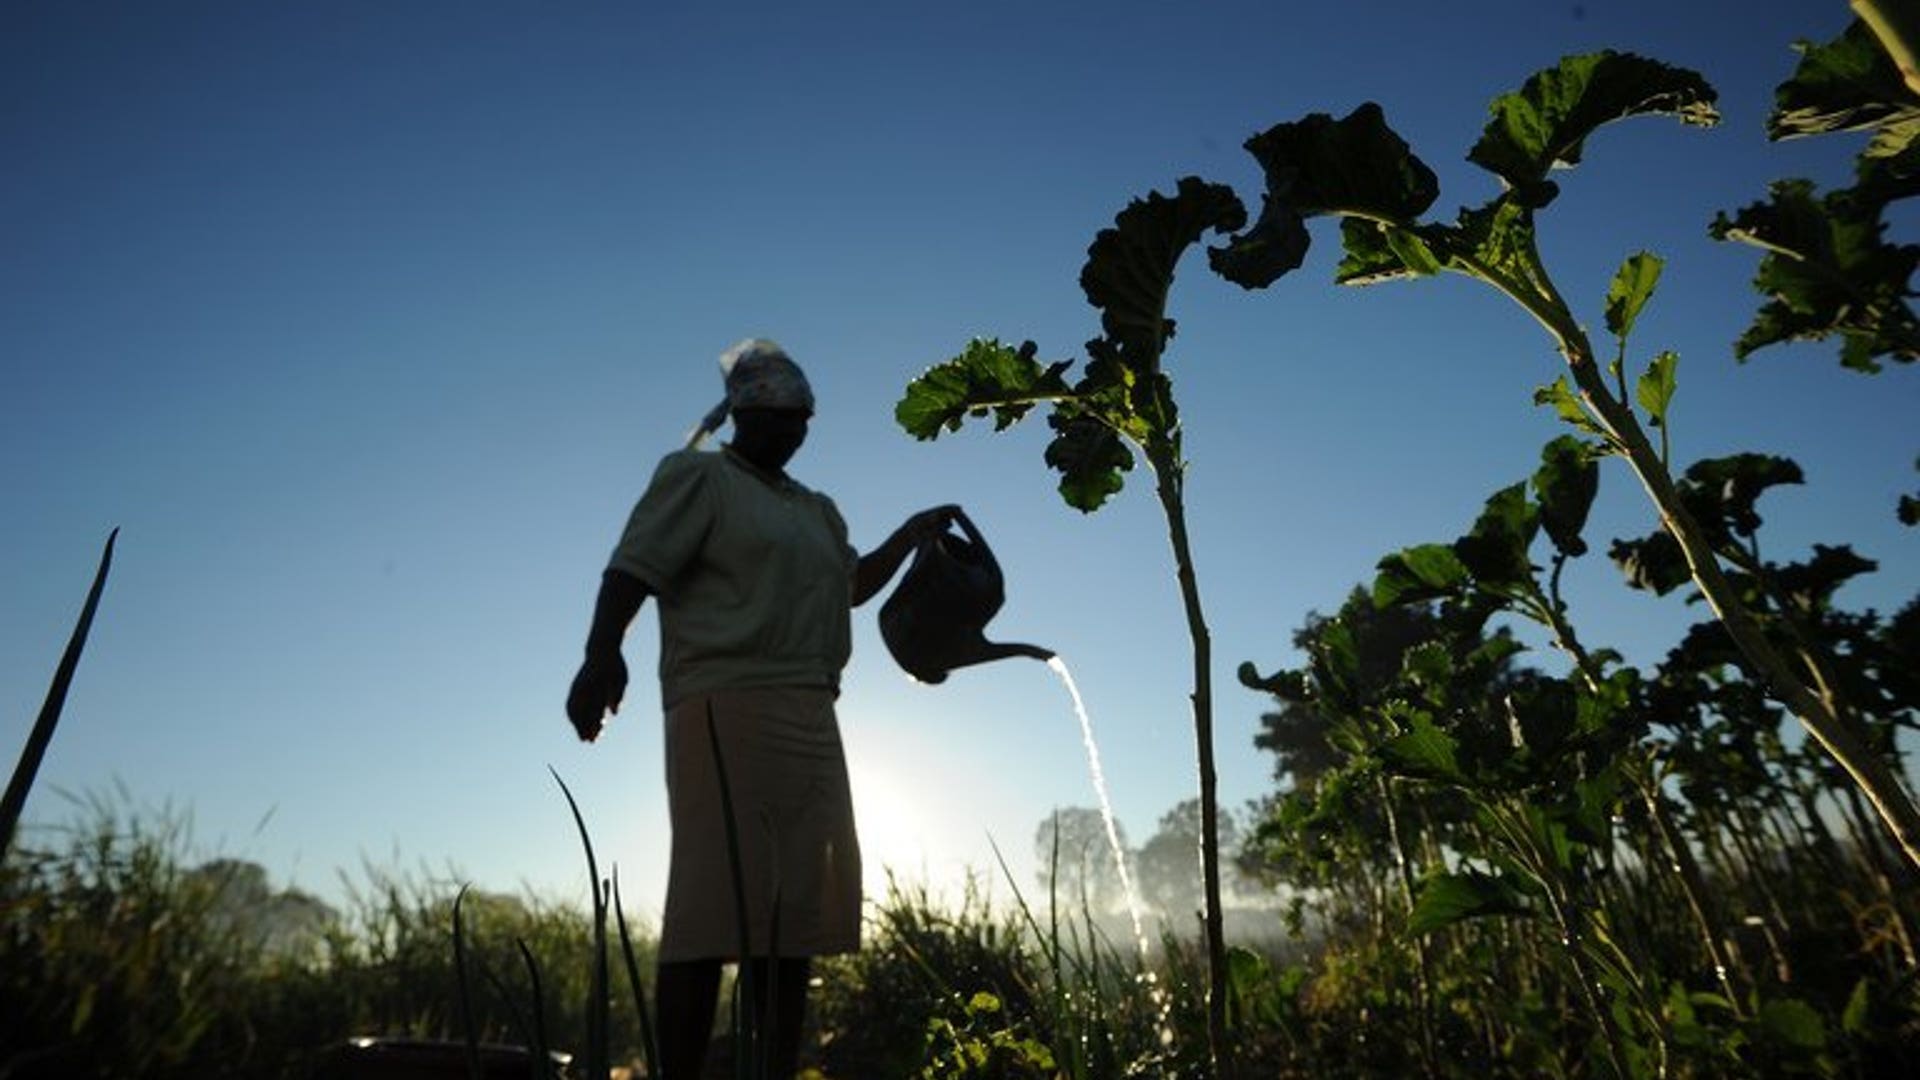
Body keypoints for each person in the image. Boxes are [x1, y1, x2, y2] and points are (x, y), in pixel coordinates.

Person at [565, 339, 954, 1079]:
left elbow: (850, 585)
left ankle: (764, 1067)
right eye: (778, 417)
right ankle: (676, 1069)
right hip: (723, 703)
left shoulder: (816, 511)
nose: (793, 431)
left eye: (803, 419)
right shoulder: (699, 480)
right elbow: (632, 567)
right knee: (714, 905)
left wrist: (912, 534)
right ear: (744, 415)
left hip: (811, 712)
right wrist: (600, 654)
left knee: (791, 920)